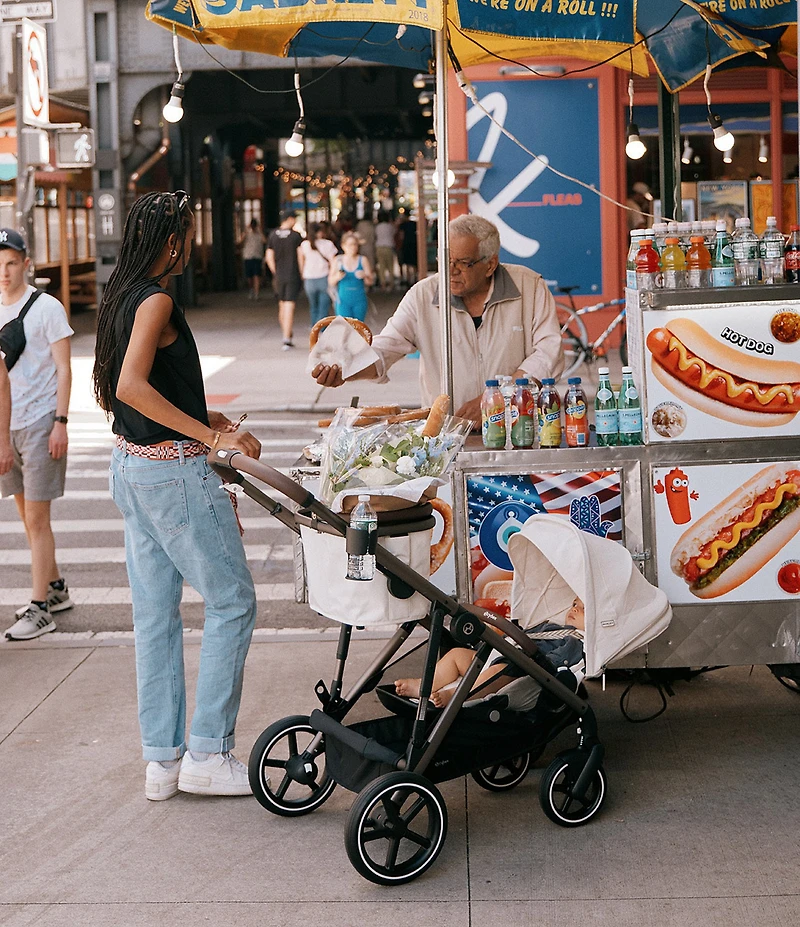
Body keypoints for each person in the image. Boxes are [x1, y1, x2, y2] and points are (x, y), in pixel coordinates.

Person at [92, 190, 262, 800]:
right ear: (172, 242)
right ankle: (208, 754)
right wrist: (211, 439)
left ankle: (162, 762)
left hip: (132, 469)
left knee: (155, 616)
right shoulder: (158, 299)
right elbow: (131, 387)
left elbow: (140, 392)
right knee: (233, 602)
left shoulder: (122, 294)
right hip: (172, 476)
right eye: (188, 235)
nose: (192, 245)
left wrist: (203, 416)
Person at [312, 214, 565, 425]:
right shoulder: (423, 295)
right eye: (445, 260)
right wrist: (346, 367)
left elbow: (548, 353)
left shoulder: (529, 287)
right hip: (447, 433)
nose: (450, 271)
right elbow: (386, 347)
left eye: (463, 263)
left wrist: (496, 398)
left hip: (519, 428)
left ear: (490, 265)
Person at [0, 230, 74, 642]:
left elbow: (64, 368)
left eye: (11, 263)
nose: (4, 272)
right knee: (26, 518)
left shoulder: (47, 308)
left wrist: (61, 421)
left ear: (26, 263)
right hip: (6, 425)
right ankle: (56, 588)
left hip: (42, 421)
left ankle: (40, 608)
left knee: (37, 519)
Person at [395, 597, 585, 707]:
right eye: (574, 604)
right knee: (456, 655)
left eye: (583, 609)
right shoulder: (549, 626)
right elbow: (523, 635)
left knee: (496, 673)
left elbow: (559, 660)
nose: (575, 609)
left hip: (523, 666)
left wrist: (537, 663)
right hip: (502, 651)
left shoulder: (574, 641)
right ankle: (424, 685)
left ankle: (456, 695)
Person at [266, 211, 304, 350]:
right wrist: (302, 273)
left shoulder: (273, 235)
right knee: (289, 305)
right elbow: (300, 256)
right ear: (290, 219)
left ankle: (286, 332)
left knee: (282, 305)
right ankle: (286, 338)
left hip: (279, 277)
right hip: (292, 274)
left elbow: (269, 256)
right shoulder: (295, 236)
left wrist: (275, 272)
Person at [329, 232, 375, 323]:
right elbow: (330, 281)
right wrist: (337, 277)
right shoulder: (338, 260)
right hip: (342, 300)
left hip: (359, 299)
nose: (353, 247)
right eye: (350, 245)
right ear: (343, 246)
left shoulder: (363, 260)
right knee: (344, 325)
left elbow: (370, 282)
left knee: (358, 326)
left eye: (355, 244)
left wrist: (365, 275)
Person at [300, 222, 339, 327]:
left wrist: (302, 275)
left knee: (313, 306)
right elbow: (333, 261)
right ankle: (321, 329)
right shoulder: (328, 244)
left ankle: (314, 328)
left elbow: (301, 262)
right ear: (320, 231)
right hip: (324, 277)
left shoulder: (304, 245)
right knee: (323, 307)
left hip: (309, 279)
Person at [241, 218, 266, 300]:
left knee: (257, 275)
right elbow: (241, 240)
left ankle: (256, 293)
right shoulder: (247, 233)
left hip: (257, 256)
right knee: (249, 276)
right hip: (248, 256)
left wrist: (260, 231)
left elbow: (264, 241)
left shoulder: (259, 234)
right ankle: (251, 289)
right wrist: (246, 230)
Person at [375, 212, 397, 291]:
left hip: (379, 247)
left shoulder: (377, 227)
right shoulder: (390, 226)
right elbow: (394, 232)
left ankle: (383, 283)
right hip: (389, 247)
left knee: (381, 266)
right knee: (390, 266)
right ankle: (391, 283)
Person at [396, 214, 418, 288]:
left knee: (407, 263)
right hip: (414, 244)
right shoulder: (414, 223)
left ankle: (408, 279)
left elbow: (401, 236)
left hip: (406, 244)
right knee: (414, 263)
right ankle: (415, 277)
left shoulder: (402, 225)